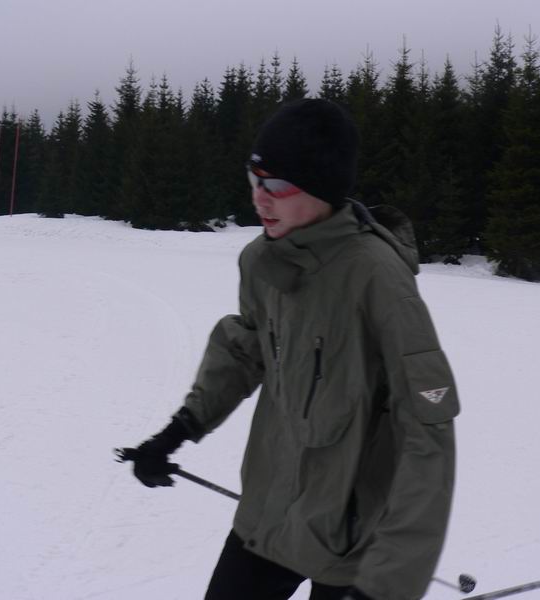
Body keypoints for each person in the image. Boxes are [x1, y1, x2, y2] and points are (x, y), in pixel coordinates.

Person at [120, 98, 460, 600]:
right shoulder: (263, 262)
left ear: (322, 188)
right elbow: (242, 352)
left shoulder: (377, 277)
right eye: (254, 180)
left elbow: (429, 432)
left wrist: (390, 584)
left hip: (347, 538)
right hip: (268, 516)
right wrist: (178, 431)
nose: (259, 199)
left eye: (277, 186)